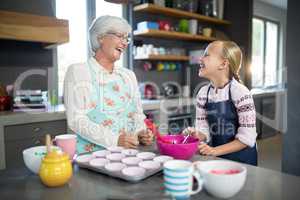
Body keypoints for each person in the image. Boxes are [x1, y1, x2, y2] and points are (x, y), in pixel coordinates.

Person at [64, 15, 153, 154]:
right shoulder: (79, 71)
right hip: (92, 158)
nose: (125, 43)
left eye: (126, 38)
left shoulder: (128, 75)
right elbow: (77, 120)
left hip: (129, 155)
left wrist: (141, 131)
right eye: (120, 36)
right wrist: (114, 140)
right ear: (100, 37)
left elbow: (137, 114)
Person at [184, 40, 257, 165]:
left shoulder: (241, 93)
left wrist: (214, 151)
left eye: (206, 55)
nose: (200, 59)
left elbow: (247, 138)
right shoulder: (203, 93)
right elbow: (204, 128)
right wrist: (197, 134)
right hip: (217, 158)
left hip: (242, 160)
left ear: (223, 64)